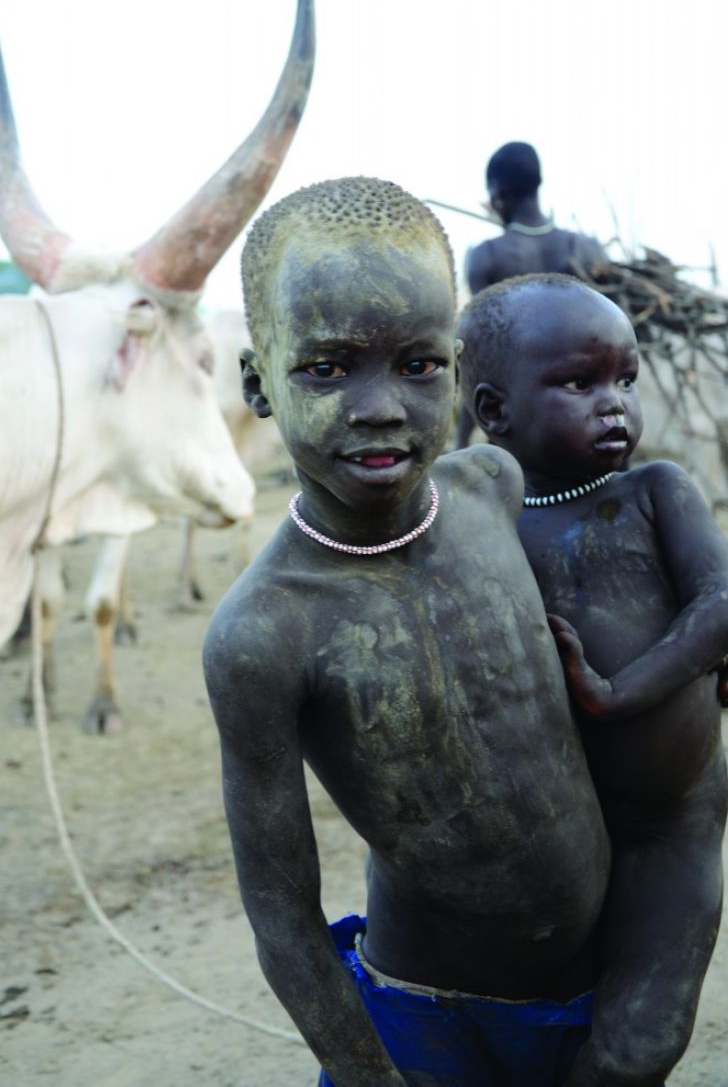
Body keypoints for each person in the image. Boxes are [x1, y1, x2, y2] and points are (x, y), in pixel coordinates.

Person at [203, 177, 612, 1087]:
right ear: (258, 382)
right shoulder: (265, 631)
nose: (380, 406)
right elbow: (281, 913)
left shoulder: (492, 489)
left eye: (419, 365)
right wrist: (368, 1074)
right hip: (426, 1016)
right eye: (326, 367)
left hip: (597, 979)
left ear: (458, 367)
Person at [457, 271, 728, 1085]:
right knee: (539, 1035)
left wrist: (620, 691)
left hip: (667, 830)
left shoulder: (656, 492)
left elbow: (721, 604)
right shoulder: (479, 521)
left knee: (632, 1050)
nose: (615, 403)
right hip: (546, 851)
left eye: (626, 379)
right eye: (580, 382)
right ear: (495, 412)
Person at [456, 141, 606, 448]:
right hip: (587, 421)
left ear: (497, 190)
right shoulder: (585, 249)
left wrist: (459, 446)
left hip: (521, 430)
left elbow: (481, 356)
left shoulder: (487, 257)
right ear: (538, 181)